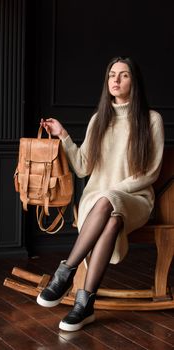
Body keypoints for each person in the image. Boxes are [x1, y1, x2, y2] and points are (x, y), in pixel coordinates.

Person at [36, 56, 164, 332]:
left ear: (134, 81)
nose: (115, 80)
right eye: (111, 75)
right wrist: (63, 136)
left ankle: (65, 273)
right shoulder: (99, 119)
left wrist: (113, 191)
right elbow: (83, 167)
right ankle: (85, 305)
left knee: (110, 203)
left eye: (123, 75)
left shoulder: (151, 120)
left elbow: (150, 173)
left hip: (136, 199)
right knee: (111, 217)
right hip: (98, 202)